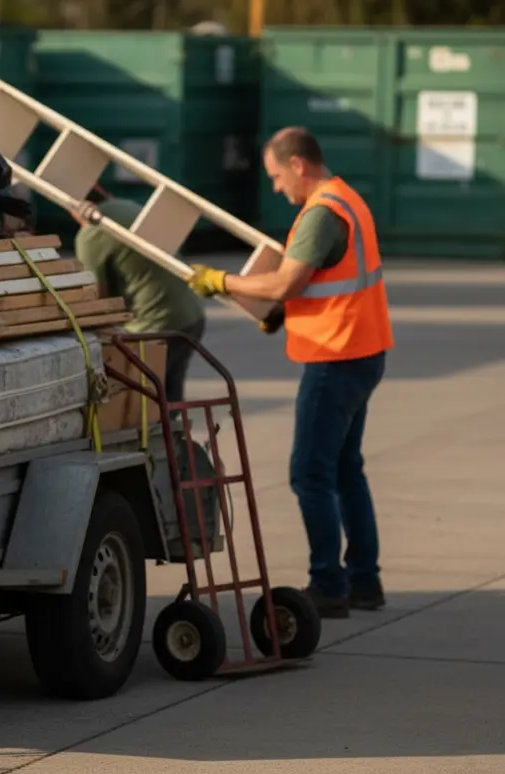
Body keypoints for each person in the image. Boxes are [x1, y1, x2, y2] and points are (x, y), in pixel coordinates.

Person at [186, 126, 395, 619]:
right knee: (345, 469)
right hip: (364, 351)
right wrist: (283, 314)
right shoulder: (348, 200)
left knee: (309, 474)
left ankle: (328, 584)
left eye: (277, 176)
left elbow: (287, 279)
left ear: (298, 164)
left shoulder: (322, 213)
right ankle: (364, 581)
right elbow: (321, 283)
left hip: (334, 357)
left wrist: (221, 281)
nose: (276, 187)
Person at [72, 196, 207, 405]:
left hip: (155, 326)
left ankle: (161, 433)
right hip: (190, 314)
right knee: (168, 399)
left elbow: (97, 304)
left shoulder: (90, 235)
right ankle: (173, 434)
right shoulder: (125, 205)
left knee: (139, 404)